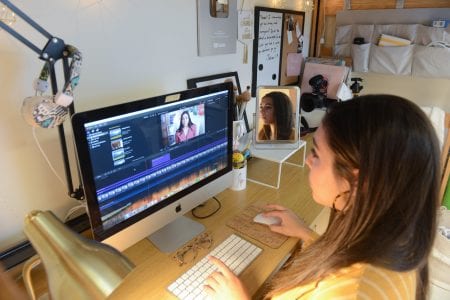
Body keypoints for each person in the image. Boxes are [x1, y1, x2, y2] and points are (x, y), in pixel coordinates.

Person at [205, 95, 440, 299]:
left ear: (358, 180)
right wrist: (307, 235)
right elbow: (340, 268)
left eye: (316, 153)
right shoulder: (397, 241)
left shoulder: (353, 293)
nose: (308, 161)